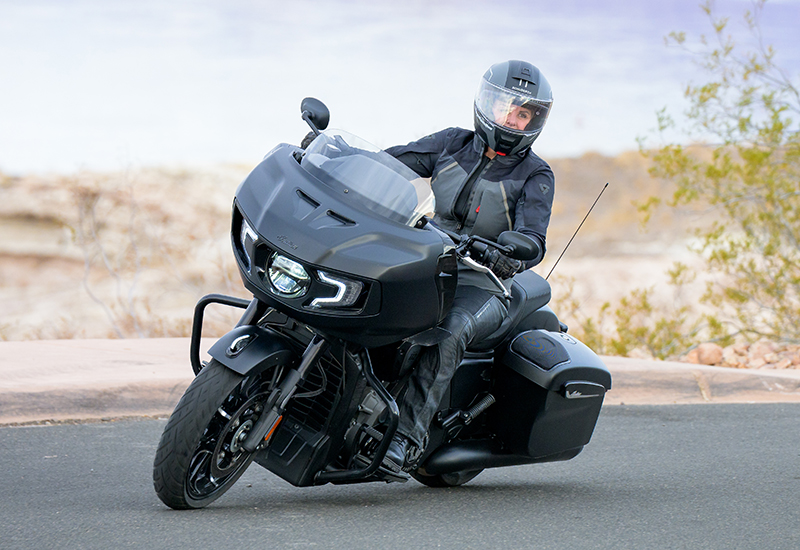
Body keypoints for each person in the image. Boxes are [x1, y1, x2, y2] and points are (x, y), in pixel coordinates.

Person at [378, 60, 557, 476]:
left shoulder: (535, 174)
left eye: (522, 113)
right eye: (505, 107)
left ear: (534, 121)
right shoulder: (450, 143)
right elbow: (389, 163)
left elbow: (534, 239)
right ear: (487, 103)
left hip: (486, 282)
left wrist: (513, 250)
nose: (510, 118)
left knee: (449, 330)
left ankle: (406, 437)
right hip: (430, 259)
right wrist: (338, 159)